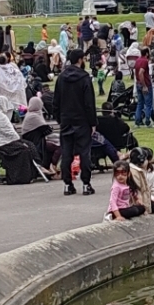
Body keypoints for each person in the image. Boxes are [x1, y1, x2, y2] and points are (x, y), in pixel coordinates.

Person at [52, 48, 97, 197]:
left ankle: (67, 184)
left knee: (66, 152)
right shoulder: (84, 78)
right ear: (80, 59)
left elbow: (56, 102)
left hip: (66, 119)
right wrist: (92, 122)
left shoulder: (61, 78)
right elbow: (89, 103)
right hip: (82, 119)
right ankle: (86, 183)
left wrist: (59, 118)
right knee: (84, 152)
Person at [133, 45, 153, 128]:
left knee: (140, 103)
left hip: (138, 84)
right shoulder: (145, 61)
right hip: (145, 84)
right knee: (148, 104)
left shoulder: (137, 60)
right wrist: (144, 86)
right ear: (147, 53)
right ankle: (147, 121)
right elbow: (141, 72)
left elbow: (135, 72)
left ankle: (137, 121)